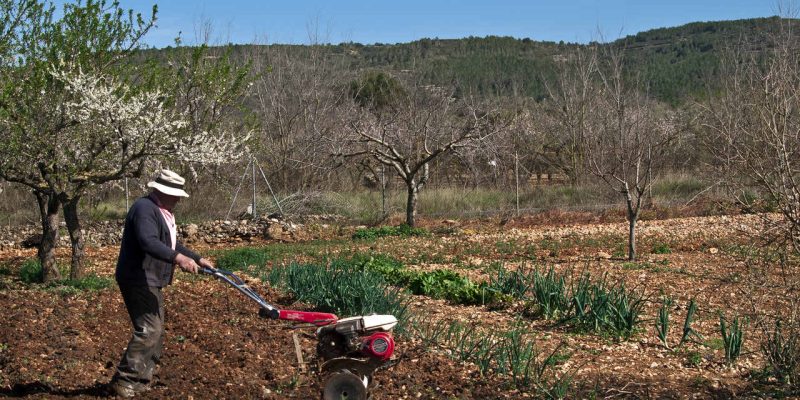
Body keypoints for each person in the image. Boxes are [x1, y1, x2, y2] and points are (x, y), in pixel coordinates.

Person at [110, 169, 214, 397]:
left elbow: (171, 243)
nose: (178, 199)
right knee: (149, 329)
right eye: (175, 194)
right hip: (138, 278)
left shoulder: (162, 211)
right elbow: (149, 242)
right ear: (162, 191)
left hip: (150, 279)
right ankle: (124, 380)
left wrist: (197, 258)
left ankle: (141, 380)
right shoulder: (145, 209)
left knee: (155, 331)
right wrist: (179, 259)